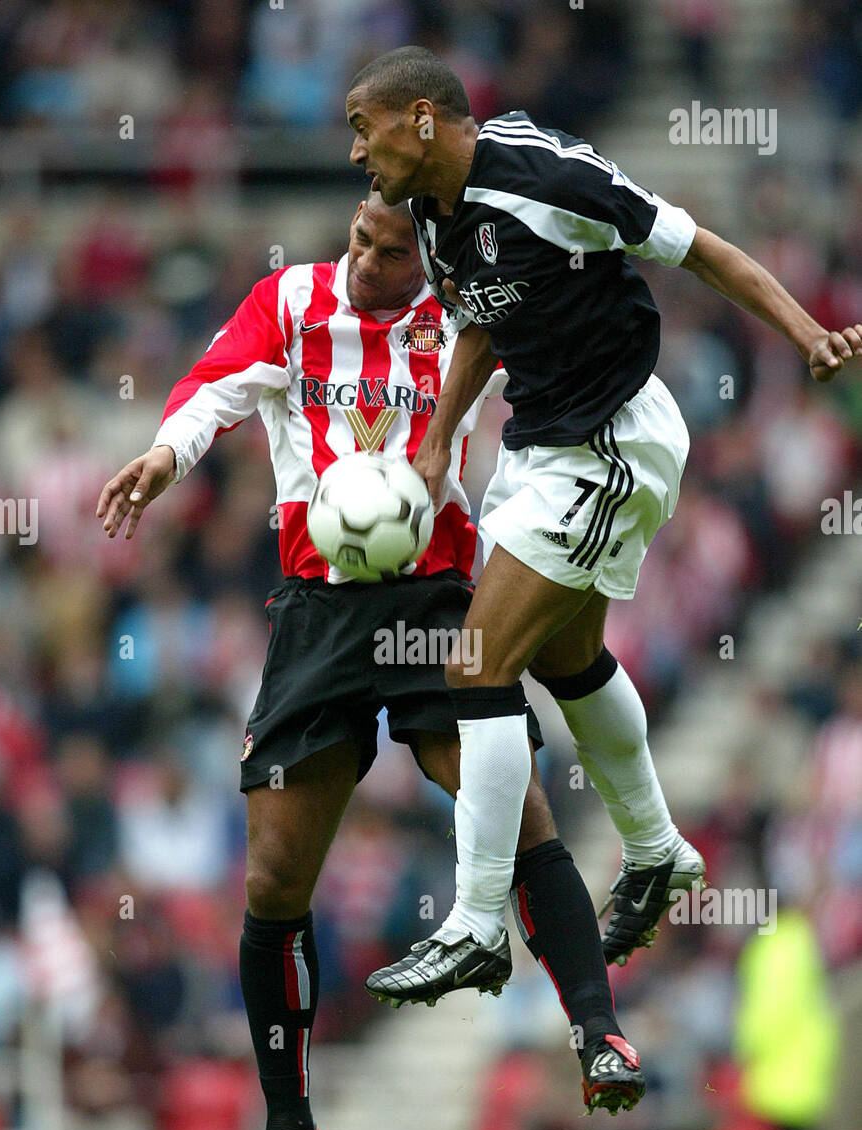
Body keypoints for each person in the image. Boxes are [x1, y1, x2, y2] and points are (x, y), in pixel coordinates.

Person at [95, 194, 644, 1130]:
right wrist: (165, 457)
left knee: (516, 809)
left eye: (389, 252)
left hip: (439, 595)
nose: (367, 263)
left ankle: (596, 1031)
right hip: (316, 614)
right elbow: (212, 392)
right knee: (271, 880)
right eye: (358, 241)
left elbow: (559, 353)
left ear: (419, 256)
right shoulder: (290, 300)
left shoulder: (457, 305)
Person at [345, 45, 862, 999]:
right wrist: (439, 435)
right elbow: (481, 319)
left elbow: (698, 246)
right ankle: (658, 851)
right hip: (542, 443)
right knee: (562, 660)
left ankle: (473, 923)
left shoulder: (547, 174)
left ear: (420, 118)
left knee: (475, 663)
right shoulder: (427, 210)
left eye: (361, 126)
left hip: (612, 438)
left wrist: (808, 335)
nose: (353, 151)